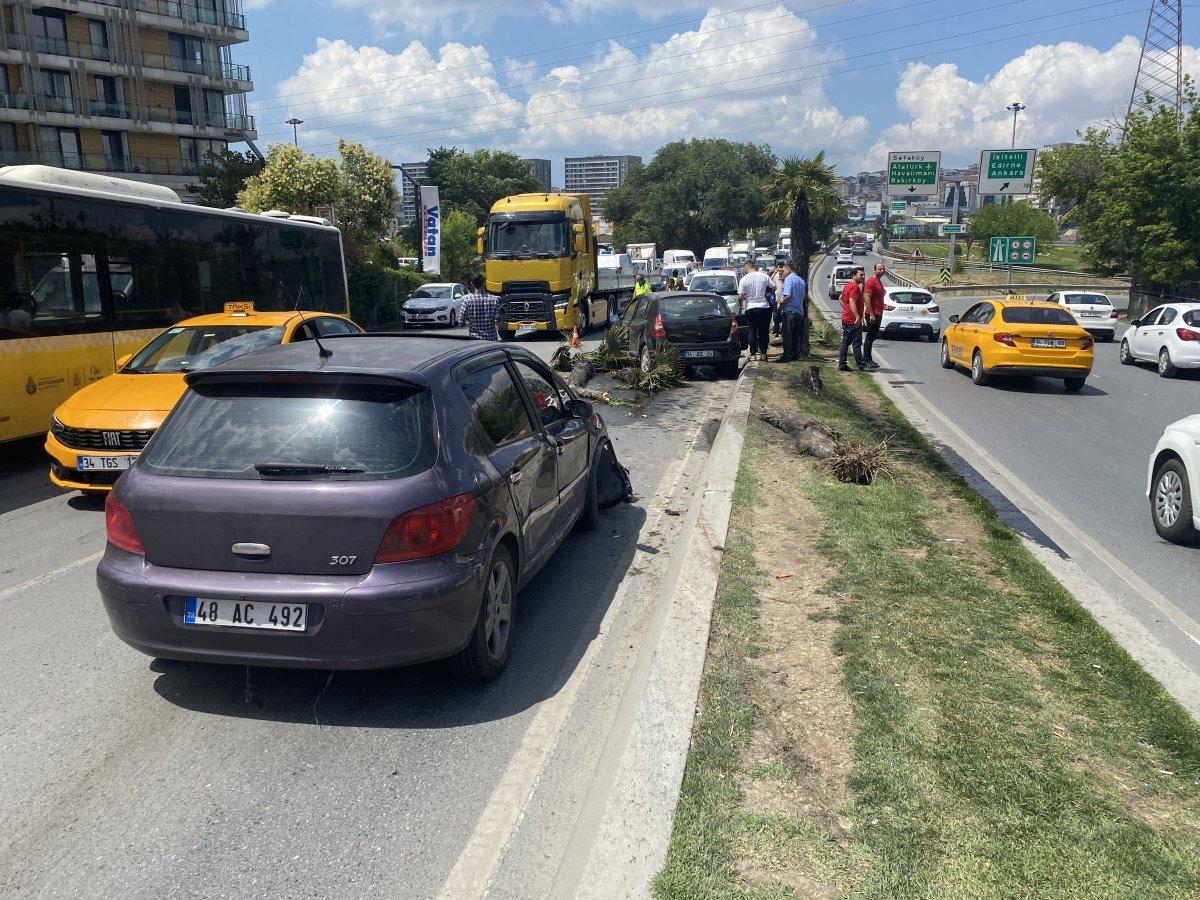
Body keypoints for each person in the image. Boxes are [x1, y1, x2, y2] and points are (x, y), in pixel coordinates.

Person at [737, 259, 772, 361]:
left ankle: (752, 354)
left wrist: (740, 305)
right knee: (764, 331)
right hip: (763, 306)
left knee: (752, 331)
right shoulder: (764, 276)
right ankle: (764, 353)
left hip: (751, 307)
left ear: (747, 268)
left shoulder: (743, 280)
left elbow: (740, 296)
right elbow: (773, 288)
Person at [838, 267, 867, 372]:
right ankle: (861, 365)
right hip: (853, 320)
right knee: (856, 343)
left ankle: (842, 364)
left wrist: (845, 310)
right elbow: (852, 302)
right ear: (854, 275)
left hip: (846, 318)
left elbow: (840, 298)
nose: (863, 277)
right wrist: (857, 316)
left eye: (864, 275)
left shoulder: (848, 285)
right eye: (861, 275)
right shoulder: (854, 287)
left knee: (845, 342)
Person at [776, 263, 807, 363]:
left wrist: (781, 305)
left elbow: (787, 295)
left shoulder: (789, 279)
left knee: (787, 334)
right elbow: (804, 297)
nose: (782, 273)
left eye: (783, 271)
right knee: (796, 335)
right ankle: (795, 354)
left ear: (788, 270)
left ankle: (786, 356)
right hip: (799, 311)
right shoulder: (801, 281)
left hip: (790, 311)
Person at [860, 260, 886, 369]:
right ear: (875, 270)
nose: (882, 271)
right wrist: (871, 314)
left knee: (873, 337)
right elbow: (866, 298)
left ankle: (869, 359)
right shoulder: (871, 281)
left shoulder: (878, 281)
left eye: (883, 269)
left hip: (878, 312)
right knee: (870, 337)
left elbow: (881, 293)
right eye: (880, 269)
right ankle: (866, 360)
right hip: (872, 313)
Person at [460, 274, 499, 341]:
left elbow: (461, 322)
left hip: (474, 340)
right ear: (484, 283)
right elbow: (498, 321)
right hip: (491, 339)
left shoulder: (467, 300)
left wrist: (469, 323)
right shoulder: (495, 300)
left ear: (472, 284)